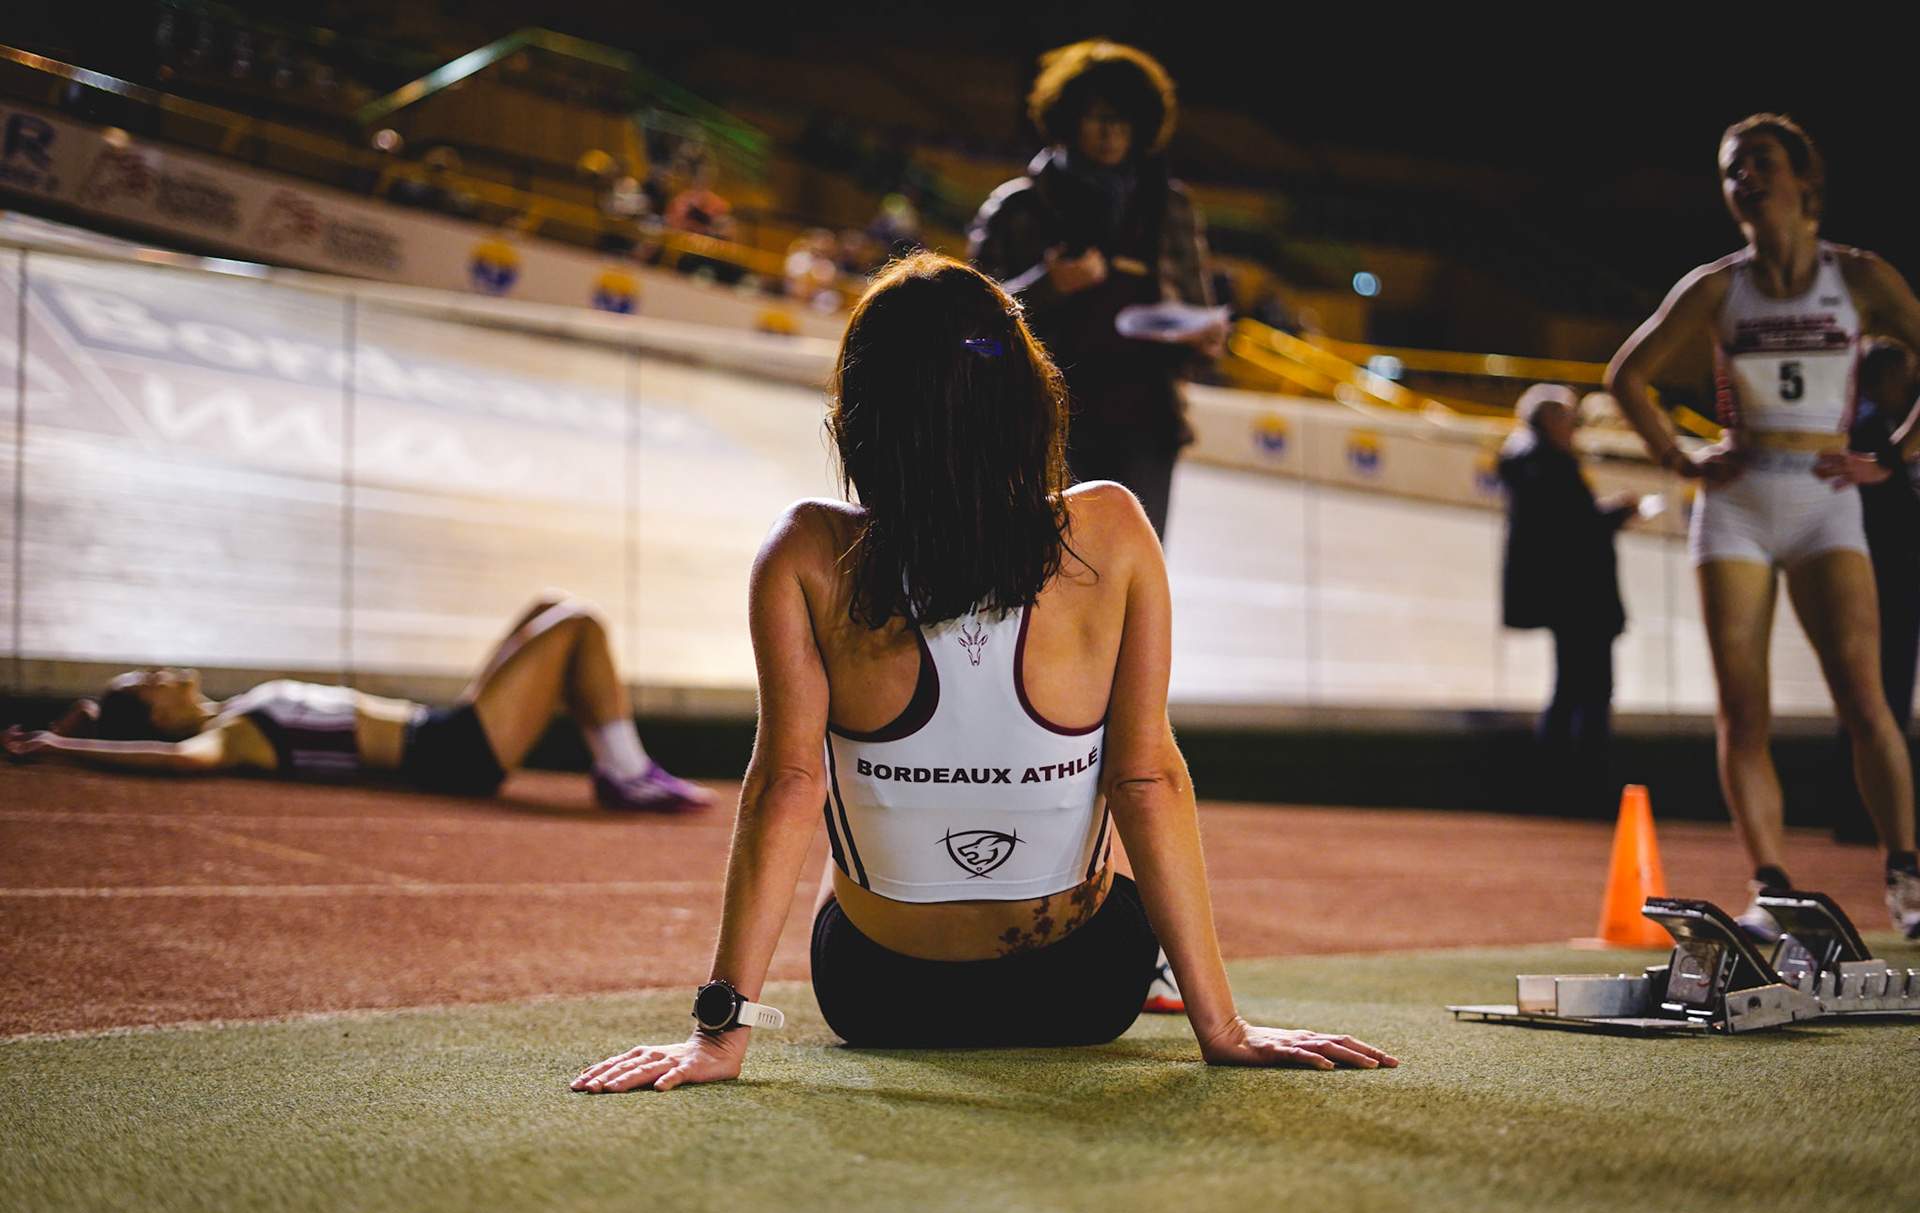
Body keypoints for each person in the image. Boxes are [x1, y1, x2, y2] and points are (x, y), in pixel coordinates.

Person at [571, 254, 1397, 1093]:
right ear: (1028, 401)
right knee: (1111, 850)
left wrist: (718, 1034)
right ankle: (1156, 978)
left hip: (878, 997)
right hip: (1083, 989)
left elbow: (787, 784)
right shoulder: (1110, 530)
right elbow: (1146, 779)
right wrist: (1222, 1026)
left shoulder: (806, 550)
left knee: (845, 809)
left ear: (859, 417)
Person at [1605, 114, 1920, 941]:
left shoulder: (1857, 276)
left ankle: (1907, 877)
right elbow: (1626, 375)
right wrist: (1678, 458)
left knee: (1865, 696)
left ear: (1805, 182)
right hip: (1739, 500)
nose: (1742, 177)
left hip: (1824, 497)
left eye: (1759, 162)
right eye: (1729, 168)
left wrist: (1895, 453)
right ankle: (1771, 889)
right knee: (1743, 710)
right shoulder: (1717, 285)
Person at [2, 593, 713, 813]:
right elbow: (172, 762)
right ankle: (623, 771)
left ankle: (620, 768)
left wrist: (70, 723)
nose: (158, 670)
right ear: (157, 714)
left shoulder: (237, 712)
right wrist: (62, 747)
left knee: (549, 609)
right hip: (451, 754)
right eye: (145, 682)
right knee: (578, 624)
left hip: (444, 730)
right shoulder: (233, 737)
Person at [968, 39, 1221, 541]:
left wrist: (1205, 338)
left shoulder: (1170, 209)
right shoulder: (1017, 207)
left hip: (1144, 425)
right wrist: (1047, 287)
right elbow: (972, 336)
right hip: (1041, 423)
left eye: (1124, 121)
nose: (1111, 133)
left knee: (1128, 584)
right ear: (1066, 119)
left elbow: (1200, 316)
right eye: (1098, 117)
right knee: (1037, 575)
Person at [1498, 384, 1638, 814]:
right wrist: (1613, 514)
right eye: (1568, 417)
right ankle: (1581, 787)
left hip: (1568, 596)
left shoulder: (1531, 461)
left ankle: (1560, 783)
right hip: (1580, 596)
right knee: (1588, 691)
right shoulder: (1546, 464)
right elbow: (1570, 529)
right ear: (1548, 421)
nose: (1575, 425)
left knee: (1573, 688)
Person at [1833, 339, 1920, 842]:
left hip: (1887, 574)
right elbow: (1888, 509)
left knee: (1876, 696)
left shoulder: (1878, 423)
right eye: (1903, 375)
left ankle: (1865, 813)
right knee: (1878, 696)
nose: (1908, 385)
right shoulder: (1869, 425)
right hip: (1884, 577)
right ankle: (1866, 814)